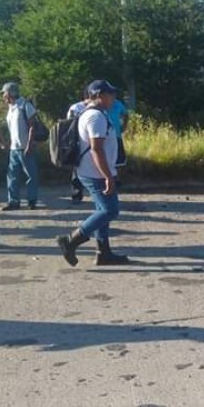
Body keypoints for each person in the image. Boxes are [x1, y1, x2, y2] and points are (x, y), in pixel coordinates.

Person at [57, 79, 129, 267]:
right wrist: (107, 176)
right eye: (110, 94)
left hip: (93, 171)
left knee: (102, 211)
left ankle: (103, 253)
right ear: (98, 95)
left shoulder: (95, 114)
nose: (114, 97)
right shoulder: (95, 117)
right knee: (110, 210)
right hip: (96, 173)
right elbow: (96, 149)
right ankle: (71, 240)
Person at [2, 82, 39, 210]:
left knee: (31, 174)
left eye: (4, 93)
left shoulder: (24, 105)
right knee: (12, 175)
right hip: (14, 147)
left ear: (10, 93)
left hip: (24, 146)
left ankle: (32, 200)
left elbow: (32, 126)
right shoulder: (11, 108)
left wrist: (29, 144)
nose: (3, 96)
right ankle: (13, 201)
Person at [66, 89, 91, 204]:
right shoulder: (75, 108)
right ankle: (77, 194)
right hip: (77, 142)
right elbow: (68, 124)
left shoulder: (98, 108)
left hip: (92, 141)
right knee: (76, 169)